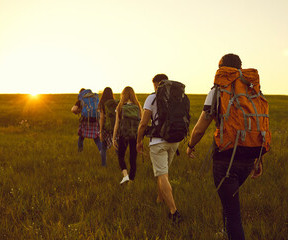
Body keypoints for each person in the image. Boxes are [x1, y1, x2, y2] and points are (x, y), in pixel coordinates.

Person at [186, 54, 270, 240]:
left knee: (233, 215)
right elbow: (258, 125)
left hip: (226, 161)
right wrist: (259, 159)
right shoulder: (253, 91)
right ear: (240, 67)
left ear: (222, 68)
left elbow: (200, 127)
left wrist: (190, 145)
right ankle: (225, 233)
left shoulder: (218, 90)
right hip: (249, 158)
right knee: (229, 201)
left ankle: (230, 233)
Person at [137, 74, 183, 224]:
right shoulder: (177, 97)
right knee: (164, 173)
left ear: (156, 84)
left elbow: (143, 123)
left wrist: (139, 141)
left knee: (162, 175)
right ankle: (160, 199)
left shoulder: (152, 97)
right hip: (175, 140)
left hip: (158, 141)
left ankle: (173, 212)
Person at [112, 86, 142, 184]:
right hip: (135, 135)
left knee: (121, 156)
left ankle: (125, 175)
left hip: (123, 135)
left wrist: (113, 138)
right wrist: (140, 138)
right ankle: (131, 182)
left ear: (123, 95)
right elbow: (141, 123)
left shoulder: (120, 106)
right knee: (133, 158)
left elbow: (117, 123)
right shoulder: (137, 106)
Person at [73, 88, 103, 165]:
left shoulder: (81, 99)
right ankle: (101, 152)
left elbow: (74, 109)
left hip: (86, 120)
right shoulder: (94, 97)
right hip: (95, 119)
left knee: (81, 136)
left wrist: (78, 111)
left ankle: (80, 152)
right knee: (96, 138)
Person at [98, 87, 117, 166]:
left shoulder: (102, 103)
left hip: (106, 127)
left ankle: (103, 165)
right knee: (116, 145)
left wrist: (100, 131)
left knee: (103, 147)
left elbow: (102, 117)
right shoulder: (115, 103)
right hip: (114, 126)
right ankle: (122, 165)